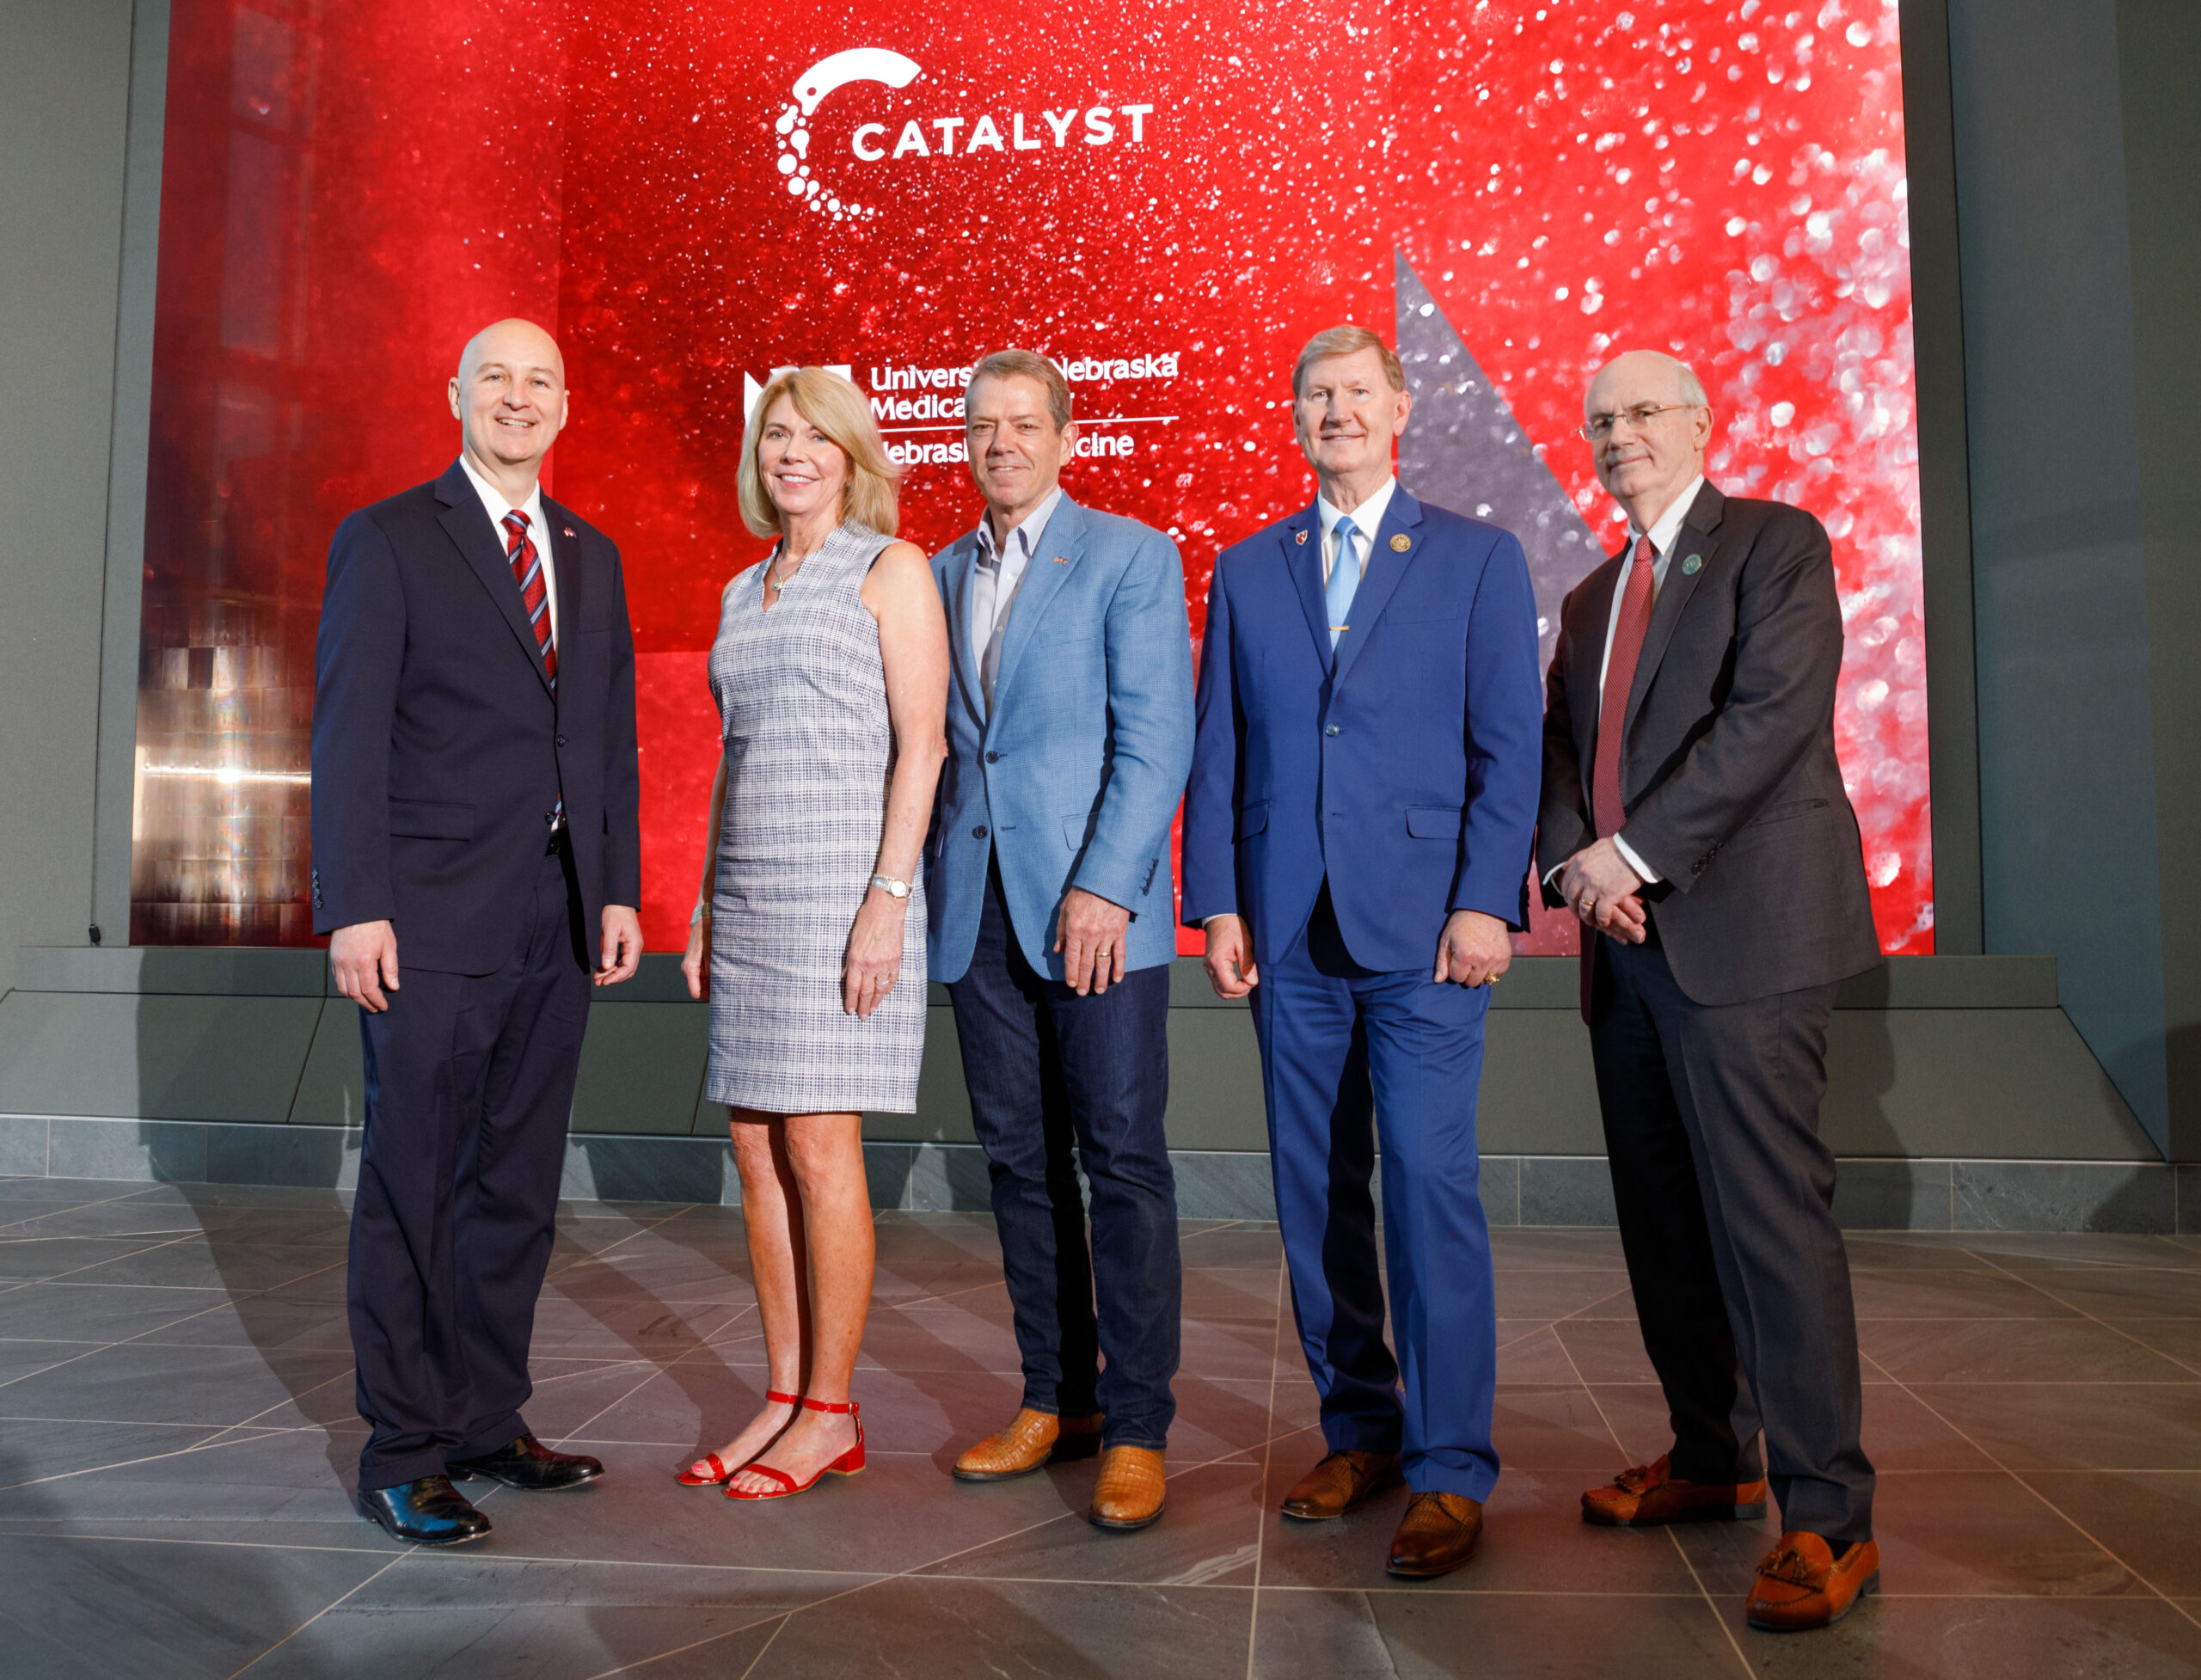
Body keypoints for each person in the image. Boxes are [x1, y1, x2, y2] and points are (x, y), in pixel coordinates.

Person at [1181, 325, 1542, 1579]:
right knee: (1312, 1195)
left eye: (1356, 392)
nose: (1335, 410)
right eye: (1313, 394)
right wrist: (1217, 901)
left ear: (1399, 410)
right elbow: (1220, 747)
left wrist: (1489, 900)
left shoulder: (1477, 558)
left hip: (1430, 931)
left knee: (1430, 1187)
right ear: (1292, 418)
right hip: (1286, 930)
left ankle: (1450, 1468)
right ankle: (1362, 1428)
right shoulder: (1245, 568)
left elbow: (1511, 745)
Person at [1538, 350, 1884, 1631]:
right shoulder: (1585, 597)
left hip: (1747, 941)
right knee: (1664, 1222)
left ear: (1698, 423)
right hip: (1621, 948)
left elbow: (1773, 718)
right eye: (1600, 421)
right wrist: (1579, 870)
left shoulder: (1776, 546)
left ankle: (1827, 1517)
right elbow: (1562, 749)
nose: (1619, 435)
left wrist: (1633, 854)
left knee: (1770, 1229)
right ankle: (1708, 1450)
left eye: (1641, 413)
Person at [311, 318, 643, 1545]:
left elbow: (603, 736)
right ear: (455, 393)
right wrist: (353, 902)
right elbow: (345, 734)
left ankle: (485, 1419)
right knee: (414, 1187)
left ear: (566, 405)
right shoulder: (391, 538)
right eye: (495, 377)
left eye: (540, 380)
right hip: (428, 919)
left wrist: (615, 888)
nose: (518, 396)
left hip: (554, 924)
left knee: (514, 1186)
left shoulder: (591, 556)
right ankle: (403, 1446)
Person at [925, 349, 1194, 1531]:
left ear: (1066, 437)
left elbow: (1155, 744)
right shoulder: (935, 571)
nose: (1001, 444)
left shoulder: (1129, 556)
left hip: (1095, 913)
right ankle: (1056, 1398)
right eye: (983, 426)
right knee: (1019, 1163)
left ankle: (1137, 1426)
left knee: (1122, 1162)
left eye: (1023, 425)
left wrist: (1105, 888)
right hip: (976, 907)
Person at [677, 369, 949, 1501]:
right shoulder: (748, 589)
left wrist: (886, 898)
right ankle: (784, 1395)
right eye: (775, 435)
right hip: (748, 897)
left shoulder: (891, 569)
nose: (792, 452)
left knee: (821, 1144)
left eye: (813, 437)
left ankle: (832, 1410)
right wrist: (700, 900)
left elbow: (924, 746)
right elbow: (735, 760)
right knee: (754, 1146)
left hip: (846, 896)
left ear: (852, 455)